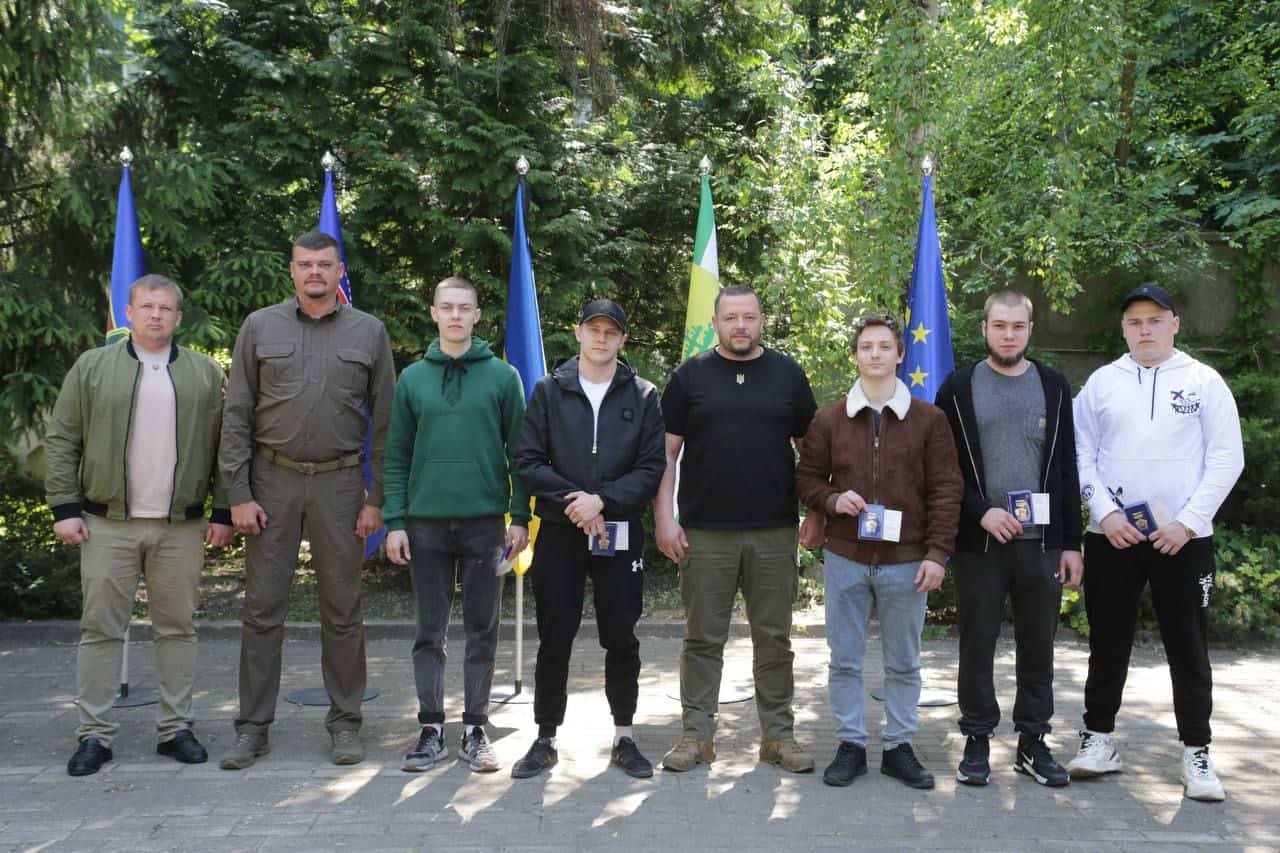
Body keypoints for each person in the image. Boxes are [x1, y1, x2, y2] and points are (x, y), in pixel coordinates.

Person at [218, 230, 395, 769]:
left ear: (340, 270)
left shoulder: (370, 333)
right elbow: (236, 416)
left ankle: (345, 723)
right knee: (262, 609)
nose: (314, 272)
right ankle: (253, 728)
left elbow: (387, 425)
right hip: (273, 481)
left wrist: (377, 499)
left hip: (342, 485)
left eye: (324, 264)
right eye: (304, 264)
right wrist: (238, 495)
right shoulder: (259, 327)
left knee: (342, 609)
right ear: (291, 271)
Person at [45, 274, 233, 776]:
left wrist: (222, 511)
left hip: (181, 527)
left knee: (178, 630)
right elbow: (62, 440)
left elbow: (226, 449)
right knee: (101, 630)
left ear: (178, 317)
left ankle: (176, 729)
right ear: (128, 313)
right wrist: (64, 508)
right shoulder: (92, 367)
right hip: (107, 524)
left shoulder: (205, 374)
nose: (156, 315)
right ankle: (94, 736)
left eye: (166, 308)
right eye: (147, 306)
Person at [1067, 283, 1244, 802]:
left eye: (1155, 319)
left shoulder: (1204, 382)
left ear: (1175, 323)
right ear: (1123, 329)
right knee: (1107, 641)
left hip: (1182, 541)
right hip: (1112, 538)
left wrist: (1188, 521)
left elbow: (1226, 458)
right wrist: (1103, 512)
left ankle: (1197, 753)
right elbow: (1080, 455)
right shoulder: (1101, 383)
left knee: (1188, 648)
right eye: (1134, 322)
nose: (1145, 330)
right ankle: (1098, 740)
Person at [795, 314, 962, 789]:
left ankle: (898, 747)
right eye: (866, 346)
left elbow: (947, 490)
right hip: (845, 556)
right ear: (855, 354)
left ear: (899, 354)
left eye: (884, 346)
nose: (875, 354)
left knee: (903, 661)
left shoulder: (929, 420)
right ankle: (850, 743)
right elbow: (805, 478)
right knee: (844, 658)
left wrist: (937, 553)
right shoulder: (829, 418)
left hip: (907, 561)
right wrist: (830, 500)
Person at [657, 285, 818, 774]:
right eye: (731, 317)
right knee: (702, 640)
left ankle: (778, 737)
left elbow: (812, 452)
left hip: (774, 531)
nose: (741, 325)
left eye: (749, 317)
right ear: (716, 321)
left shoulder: (787, 374)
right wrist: (664, 515)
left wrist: (818, 512)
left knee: (775, 639)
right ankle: (696, 737)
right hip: (704, 532)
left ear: (762, 320)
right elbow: (665, 454)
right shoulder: (689, 377)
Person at [934, 290, 1083, 788]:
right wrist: (982, 512)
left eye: (1018, 327)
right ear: (984, 329)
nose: (1009, 335)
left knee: (1038, 645)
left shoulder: (1055, 386)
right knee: (977, 642)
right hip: (981, 543)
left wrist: (1071, 544)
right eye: (1000, 326)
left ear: (1030, 329)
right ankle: (977, 738)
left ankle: (1032, 742)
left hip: (1041, 544)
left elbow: (1066, 469)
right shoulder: (957, 388)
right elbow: (945, 470)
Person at [512, 299, 666, 779]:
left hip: (618, 533)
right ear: (578, 334)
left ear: (622, 340)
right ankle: (545, 738)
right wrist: (576, 503)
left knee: (620, 635)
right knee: (554, 635)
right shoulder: (547, 391)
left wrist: (603, 501)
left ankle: (624, 737)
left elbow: (651, 468)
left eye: (611, 332)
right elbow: (529, 460)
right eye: (593, 330)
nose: (601, 338)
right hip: (560, 532)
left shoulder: (643, 395)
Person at [383, 277, 531, 773]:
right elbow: (396, 455)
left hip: (485, 525)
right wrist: (395, 520)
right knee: (429, 629)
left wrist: (521, 516)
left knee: (482, 628)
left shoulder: (502, 378)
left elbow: (521, 454)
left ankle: (474, 728)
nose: (454, 316)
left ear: (476, 315)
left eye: (463, 308)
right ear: (433, 313)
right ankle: (430, 729)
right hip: (424, 525)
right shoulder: (412, 380)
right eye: (446, 307)